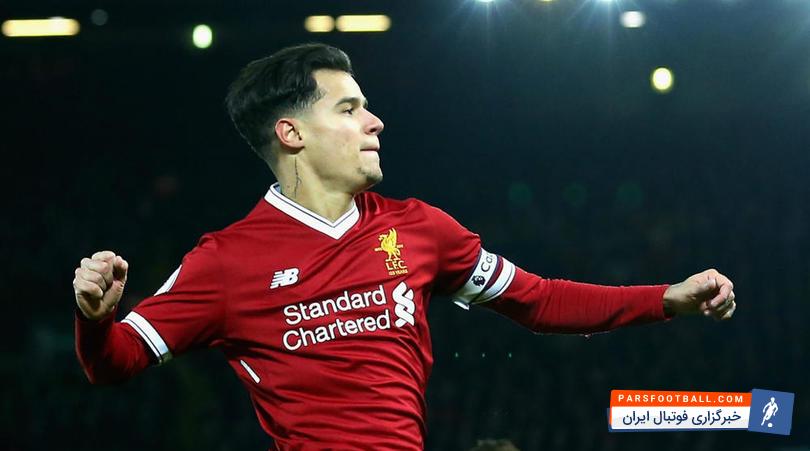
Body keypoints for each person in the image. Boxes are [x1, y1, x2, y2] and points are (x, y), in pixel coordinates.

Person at [73, 43, 737, 450]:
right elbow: (115, 362)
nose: (375, 121)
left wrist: (666, 298)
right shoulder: (226, 261)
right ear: (292, 133)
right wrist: (96, 318)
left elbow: (538, 300)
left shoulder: (420, 229)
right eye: (349, 109)